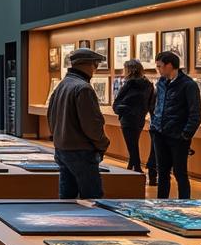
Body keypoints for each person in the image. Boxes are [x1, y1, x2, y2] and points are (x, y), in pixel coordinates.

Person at [47, 48, 110, 199]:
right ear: (87, 65)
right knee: (92, 198)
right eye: (95, 65)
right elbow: (92, 125)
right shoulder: (83, 88)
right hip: (81, 150)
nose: (95, 69)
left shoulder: (62, 85)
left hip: (62, 148)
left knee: (67, 197)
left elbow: (50, 116)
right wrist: (103, 143)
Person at [150, 51, 201, 199]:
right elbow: (157, 105)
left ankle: (184, 204)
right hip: (159, 133)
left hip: (177, 136)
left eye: (160, 66)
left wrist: (185, 134)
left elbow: (195, 113)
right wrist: (154, 125)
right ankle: (161, 204)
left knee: (180, 173)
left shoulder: (188, 85)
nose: (158, 69)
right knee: (162, 172)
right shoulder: (161, 83)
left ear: (169, 65)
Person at [111, 59, 154, 175]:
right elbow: (150, 104)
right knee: (133, 142)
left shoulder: (129, 84)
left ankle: (137, 168)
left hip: (128, 119)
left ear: (129, 70)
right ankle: (131, 165)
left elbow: (117, 103)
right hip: (140, 118)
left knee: (132, 145)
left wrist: (120, 110)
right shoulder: (148, 85)